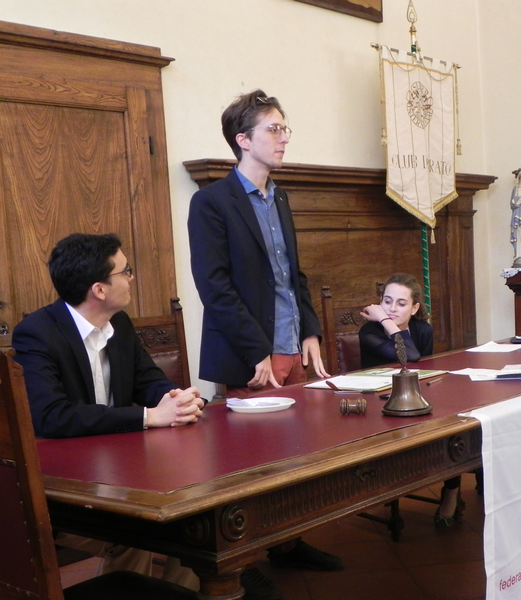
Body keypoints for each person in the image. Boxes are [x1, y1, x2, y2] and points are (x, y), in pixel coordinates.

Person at [187, 90, 341, 599]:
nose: (283, 138)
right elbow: (215, 287)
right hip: (250, 353)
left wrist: (310, 331)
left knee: (293, 457)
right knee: (250, 468)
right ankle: (243, 562)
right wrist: (257, 350)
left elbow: (292, 277)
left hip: (291, 344)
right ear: (243, 140)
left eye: (284, 128)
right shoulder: (211, 202)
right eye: (273, 129)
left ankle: (287, 543)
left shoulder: (281, 197)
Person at [11, 232, 205, 586]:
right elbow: (51, 416)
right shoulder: (37, 332)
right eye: (125, 271)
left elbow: (147, 380)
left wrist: (177, 400)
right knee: (139, 528)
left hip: (120, 470)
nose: (132, 278)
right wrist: (149, 416)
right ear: (99, 290)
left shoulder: (120, 323)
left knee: (194, 520)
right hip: (63, 483)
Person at [359, 273, 464, 527]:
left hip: (416, 399)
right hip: (379, 406)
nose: (392, 309)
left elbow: (422, 369)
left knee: (450, 430)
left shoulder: (422, 330)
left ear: (415, 308)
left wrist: (386, 320)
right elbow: (409, 356)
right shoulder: (369, 330)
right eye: (386, 301)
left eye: (401, 303)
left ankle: (452, 491)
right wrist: (386, 322)